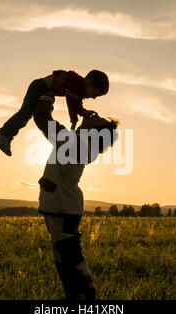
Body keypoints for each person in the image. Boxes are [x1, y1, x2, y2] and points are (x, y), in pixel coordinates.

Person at [32, 92, 119, 300]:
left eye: (97, 118)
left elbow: (42, 119)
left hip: (62, 209)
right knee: (68, 265)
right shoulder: (79, 143)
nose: (92, 114)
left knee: (72, 267)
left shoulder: (76, 144)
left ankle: (87, 300)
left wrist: (47, 94)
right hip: (63, 208)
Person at [0, 69, 109, 156]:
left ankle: (6, 135)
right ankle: (4, 134)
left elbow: (76, 103)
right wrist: (74, 120)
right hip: (40, 87)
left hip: (44, 89)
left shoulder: (79, 90)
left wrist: (82, 112)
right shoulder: (76, 84)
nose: (94, 98)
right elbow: (71, 102)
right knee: (25, 113)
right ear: (88, 82)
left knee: (26, 115)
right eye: (95, 94)